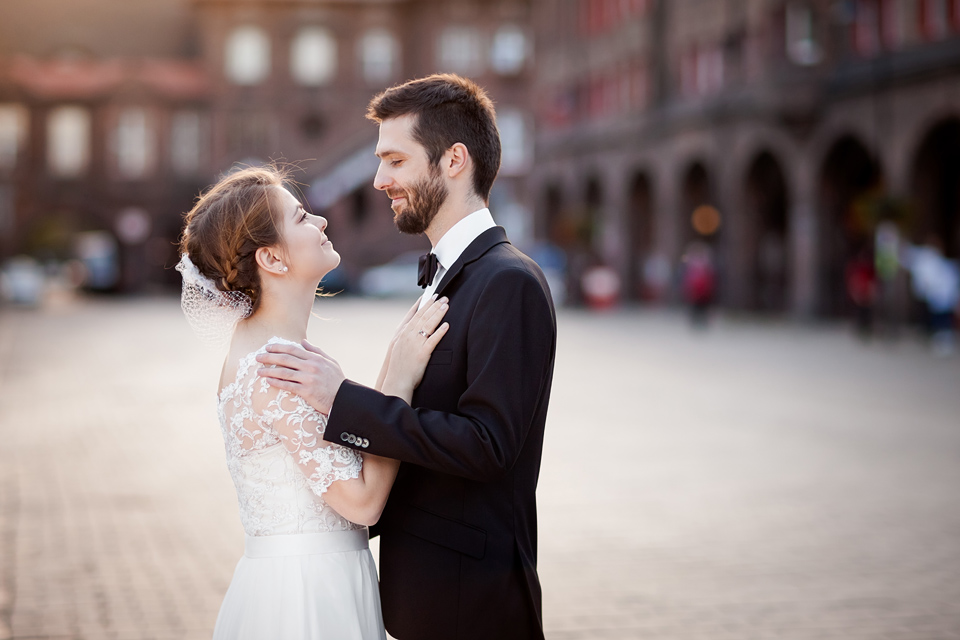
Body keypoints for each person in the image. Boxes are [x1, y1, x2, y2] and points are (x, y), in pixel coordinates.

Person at [257, 74, 558, 640]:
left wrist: (344, 401)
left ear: (453, 161)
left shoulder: (508, 282)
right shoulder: (447, 277)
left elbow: (488, 446)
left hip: (474, 605)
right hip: (427, 598)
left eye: (395, 160)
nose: (378, 180)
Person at [176, 165, 450, 639]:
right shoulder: (275, 370)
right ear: (272, 258)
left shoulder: (272, 352)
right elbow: (362, 504)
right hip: (307, 596)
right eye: (302, 218)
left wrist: (392, 359)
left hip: (306, 578)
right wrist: (401, 381)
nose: (321, 222)